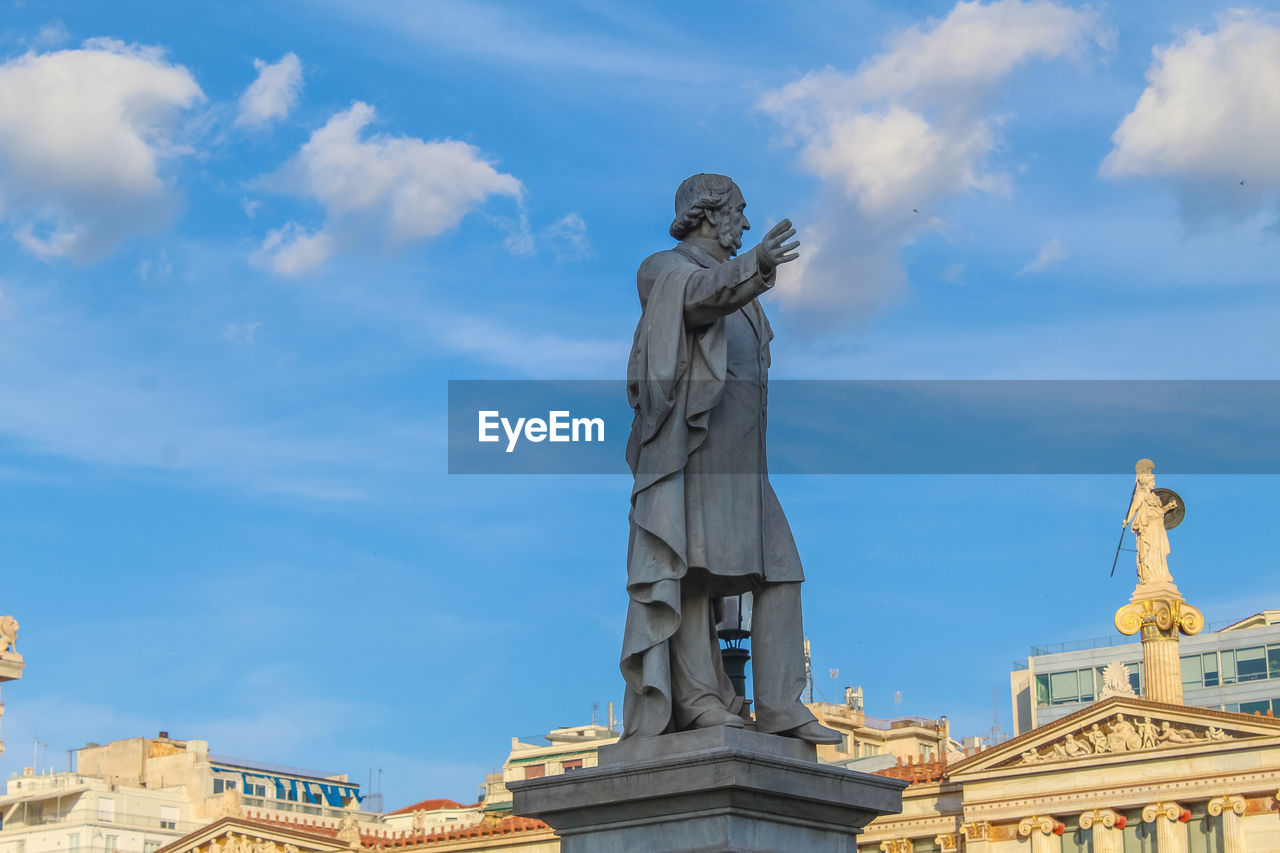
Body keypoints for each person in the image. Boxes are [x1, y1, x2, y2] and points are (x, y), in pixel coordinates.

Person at [620, 173, 840, 745]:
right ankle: (698, 701)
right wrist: (758, 264)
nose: (744, 223)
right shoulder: (663, 268)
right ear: (707, 214)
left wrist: (751, 272)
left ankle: (779, 704)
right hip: (692, 454)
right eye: (739, 212)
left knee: (780, 571)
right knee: (689, 570)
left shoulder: (739, 291)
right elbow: (698, 296)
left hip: (746, 462)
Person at [1122, 459, 1177, 585]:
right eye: (1152, 481)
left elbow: (1159, 513)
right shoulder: (1141, 496)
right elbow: (1133, 508)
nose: (1154, 483)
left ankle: (1161, 575)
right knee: (1150, 550)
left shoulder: (1154, 497)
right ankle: (1151, 576)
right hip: (1148, 528)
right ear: (1146, 482)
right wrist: (1127, 521)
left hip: (1158, 527)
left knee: (1161, 551)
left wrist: (1168, 507)